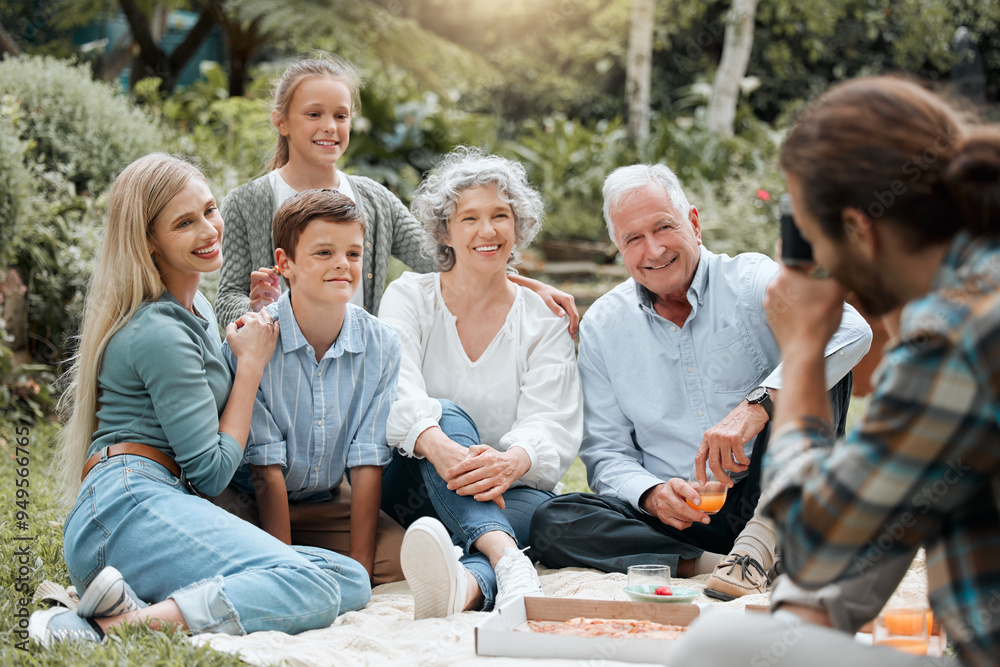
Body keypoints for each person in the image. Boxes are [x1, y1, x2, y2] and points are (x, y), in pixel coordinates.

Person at [672, 76, 1000, 666]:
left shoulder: (952, 341)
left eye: (811, 233)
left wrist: (799, 357)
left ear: (858, 229)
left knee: (719, 647)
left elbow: (820, 547)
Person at [29, 154, 371, 646]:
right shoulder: (157, 330)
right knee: (309, 584)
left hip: (159, 499)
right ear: (149, 240)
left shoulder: (198, 308)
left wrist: (259, 318)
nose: (210, 229)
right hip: (125, 506)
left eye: (210, 210)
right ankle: (109, 628)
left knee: (348, 578)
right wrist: (251, 365)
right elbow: (212, 469)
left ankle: (137, 607)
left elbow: (207, 401)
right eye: (185, 222)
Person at [529, 163, 872, 600]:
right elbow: (606, 453)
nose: (653, 250)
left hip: (774, 489)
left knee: (822, 362)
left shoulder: (750, 279)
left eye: (663, 227)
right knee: (553, 520)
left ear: (693, 223)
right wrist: (653, 494)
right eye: (633, 239)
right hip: (683, 519)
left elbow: (851, 330)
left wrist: (755, 406)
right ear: (618, 248)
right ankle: (722, 565)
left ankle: (761, 541)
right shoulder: (602, 326)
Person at [215, 54, 579, 334]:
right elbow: (227, 295)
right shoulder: (249, 203)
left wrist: (529, 287)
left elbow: (447, 259)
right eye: (314, 114)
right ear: (282, 121)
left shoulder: (375, 200)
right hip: (277, 374)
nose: (329, 127)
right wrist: (253, 310)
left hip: (357, 375)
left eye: (341, 116)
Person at [377, 148, 583, 618]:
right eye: (469, 218)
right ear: (445, 231)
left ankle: (468, 583)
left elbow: (552, 421)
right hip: (412, 484)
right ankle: (510, 558)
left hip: (506, 489)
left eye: (500, 216)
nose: (487, 231)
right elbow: (395, 389)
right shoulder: (409, 296)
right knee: (443, 412)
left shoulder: (543, 319)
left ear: (519, 226)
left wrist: (510, 462)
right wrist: (439, 447)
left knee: (542, 513)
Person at [211, 189, 405, 584]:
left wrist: (360, 570)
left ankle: (322, 563)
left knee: (402, 562)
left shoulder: (382, 344)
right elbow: (266, 472)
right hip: (245, 500)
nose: (342, 265)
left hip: (325, 502)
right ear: (285, 263)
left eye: (353, 254)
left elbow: (366, 464)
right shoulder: (255, 339)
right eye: (324, 253)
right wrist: (288, 572)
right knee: (215, 557)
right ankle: (289, 564)